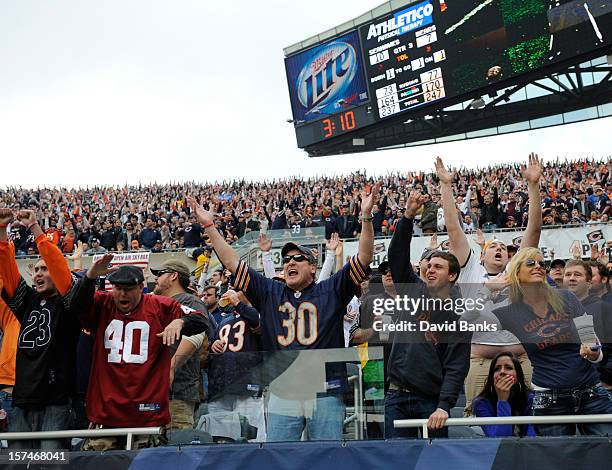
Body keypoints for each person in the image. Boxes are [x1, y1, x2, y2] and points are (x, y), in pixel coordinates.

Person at [187, 183, 378, 442]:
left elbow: (365, 257)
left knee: (327, 456)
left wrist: (366, 216)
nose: (290, 262)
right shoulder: (270, 292)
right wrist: (210, 227)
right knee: (280, 457)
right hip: (283, 390)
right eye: (286, 259)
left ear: (313, 267)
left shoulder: (331, 289)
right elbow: (232, 262)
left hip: (324, 389)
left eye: (298, 258)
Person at [464, 247, 612, 436]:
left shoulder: (567, 297)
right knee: (557, 461)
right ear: (516, 272)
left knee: (606, 455)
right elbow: (465, 320)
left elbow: (591, 341)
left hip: (591, 393)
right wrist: (486, 290)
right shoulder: (509, 313)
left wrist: (593, 352)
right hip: (549, 399)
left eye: (542, 264)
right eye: (531, 263)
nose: (539, 267)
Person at [435, 155, 541, 415]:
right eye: (492, 246)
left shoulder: (517, 270)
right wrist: (446, 187)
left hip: (521, 360)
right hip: (479, 360)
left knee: (529, 420)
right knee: (477, 425)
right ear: (481, 254)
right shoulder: (470, 268)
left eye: (503, 248)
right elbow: (453, 228)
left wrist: (534, 187)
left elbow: (534, 231)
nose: (498, 249)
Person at [71, 260, 210, 450]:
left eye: (128, 289)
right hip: (106, 412)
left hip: (147, 412)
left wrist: (182, 322)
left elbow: (202, 320)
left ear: (141, 287)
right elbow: (75, 305)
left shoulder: (159, 305)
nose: (122, 294)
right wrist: (89, 277)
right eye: (118, 288)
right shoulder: (103, 303)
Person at [383, 191, 471, 438]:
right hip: (396, 396)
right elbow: (397, 256)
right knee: (395, 462)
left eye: (438, 267)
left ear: (452, 276)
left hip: (430, 403)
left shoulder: (459, 317)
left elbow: (456, 366)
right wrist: (408, 216)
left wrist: (444, 405)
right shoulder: (412, 290)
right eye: (428, 266)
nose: (430, 270)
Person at [0, 209, 81, 449]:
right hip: (22, 399)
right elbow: (8, 271)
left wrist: (36, 228)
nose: (38, 274)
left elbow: (58, 264)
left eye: (44, 269)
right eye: (35, 269)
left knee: (51, 461)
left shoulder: (68, 303)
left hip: (55, 400)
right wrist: (2, 232)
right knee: (18, 461)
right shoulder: (27, 302)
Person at [151, 259, 214, 430]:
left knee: (176, 445)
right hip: (154, 391)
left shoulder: (189, 301)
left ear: (173, 276)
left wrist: (171, 367)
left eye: (159, 274)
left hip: (177, 391)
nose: (155, 278)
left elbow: (197, 335)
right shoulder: (156, 302)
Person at [205, 289, 265, 441]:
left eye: (238, 291)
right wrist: (214, 344)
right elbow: (213, 343)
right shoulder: (225, 320)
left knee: (250, 436)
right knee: (219, 437)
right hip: (220, 386)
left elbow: (256, 321)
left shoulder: (259, 312)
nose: (232, 294)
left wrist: (237, 302)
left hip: (247, 386)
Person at [472, 352, 535, 437]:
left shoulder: (532, 399)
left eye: (508, 368)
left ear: (518, 375)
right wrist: (502, 401)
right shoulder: (481, 403)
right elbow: (501, 439)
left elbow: (532, 438)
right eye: (497, 369)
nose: (502, 372)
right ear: (492, 376)